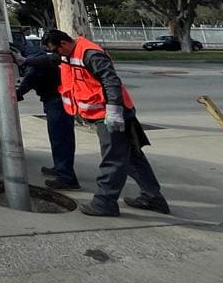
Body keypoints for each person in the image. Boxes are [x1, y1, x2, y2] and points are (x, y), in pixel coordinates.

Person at [41, 29, 170, 217]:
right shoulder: (69, 54)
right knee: (132, 158)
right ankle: (153, 198)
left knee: (113, 159)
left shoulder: (90, 54)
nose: (56, 55)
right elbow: (51, 61)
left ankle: (105, 202)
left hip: (111, 114)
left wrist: (114, 111)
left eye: (55, 50)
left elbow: (111, 81)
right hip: (106, 113)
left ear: (63, 44)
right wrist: (22, 60)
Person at [16, 47, 79, 191]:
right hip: (57, 101)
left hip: (57, 103)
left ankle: (67, 178)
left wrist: (16, 94)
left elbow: (29, 81)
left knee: (60, 139)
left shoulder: (34, 63)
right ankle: (61, 168)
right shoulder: (39, 56)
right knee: (63, 139)